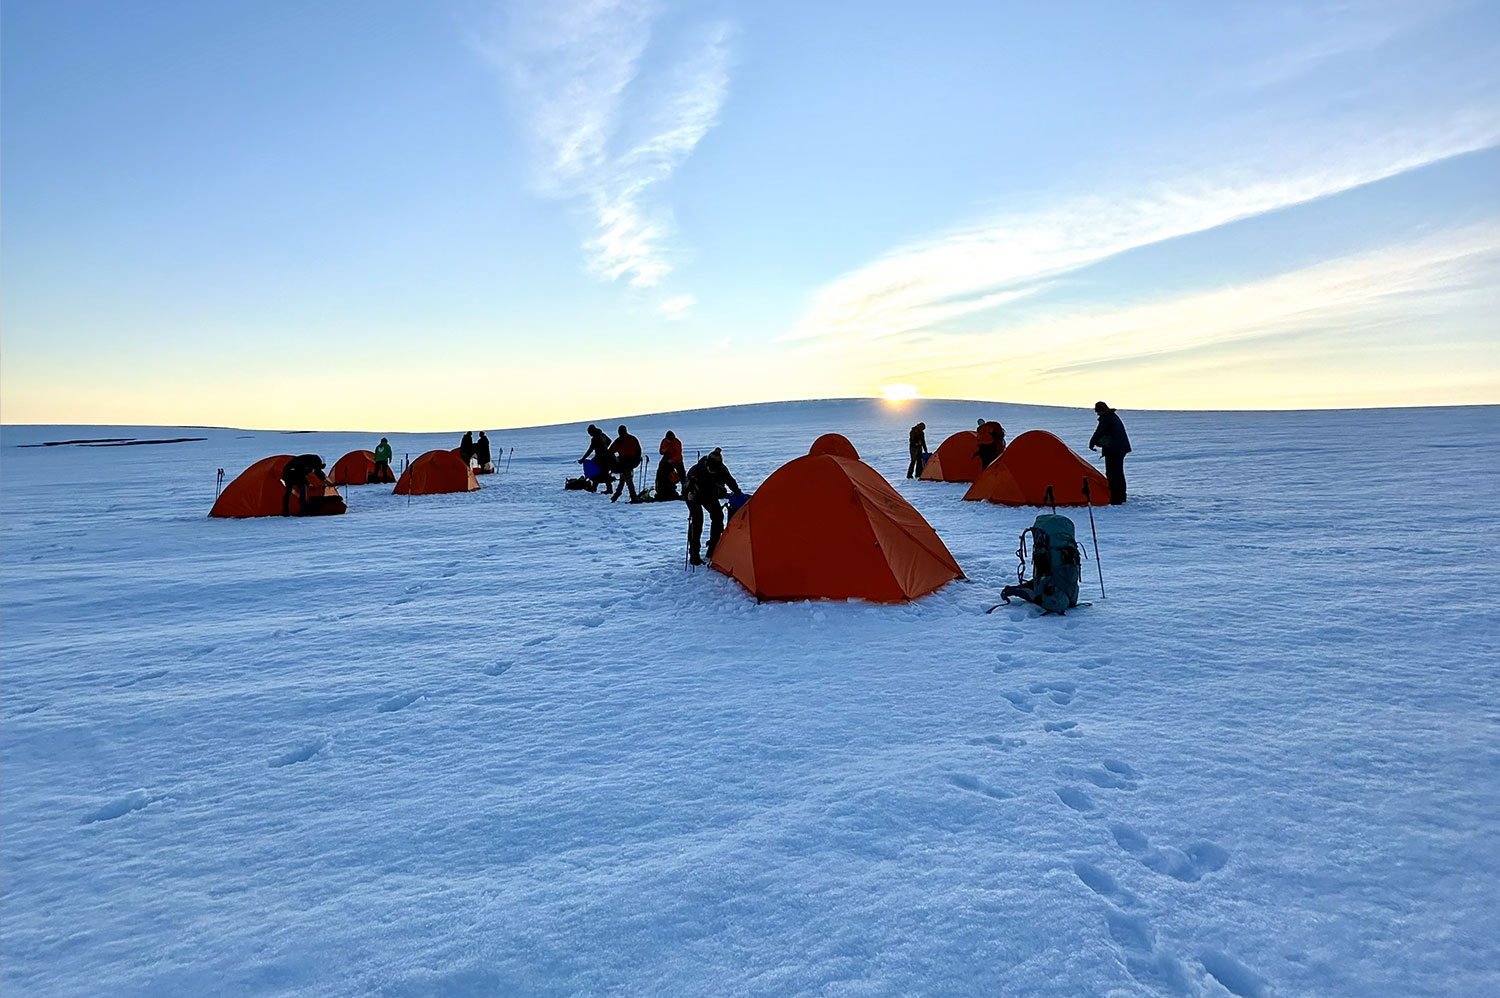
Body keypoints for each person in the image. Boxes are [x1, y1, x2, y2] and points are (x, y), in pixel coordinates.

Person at [684, 448, 742, 565]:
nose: (713, 471)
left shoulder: (722, 470)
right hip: (693, 494)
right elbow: (687, 485)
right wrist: (689, 492)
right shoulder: (697, 470)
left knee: (718, 516)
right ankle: (694, 554)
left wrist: (739, 494)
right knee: (697, 520)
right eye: (711, 469)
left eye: (715, 469)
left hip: (709, 495)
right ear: (707, 464)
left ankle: (713, 549)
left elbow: (731, 483)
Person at [1089, 401, 1132, 504]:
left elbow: (1099, 432)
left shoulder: (1106, 419)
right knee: (1118, 473)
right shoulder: (1112, 417)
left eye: (1097, 412)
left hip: (1114, 450)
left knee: (1113, 473)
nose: (1097, 414)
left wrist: (1092, 443)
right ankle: (1121, 496)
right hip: (1120, 449)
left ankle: (1116, 498)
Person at [609, 425, 643, 502]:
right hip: (630, 462)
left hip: (625, 462)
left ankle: (632, 496)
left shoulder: (619, 440)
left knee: (627, 479)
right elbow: (638, 451)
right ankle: (619, 494)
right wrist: (637, 460)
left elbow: (610, 451)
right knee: (625, 478)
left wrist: (616, 460)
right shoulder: (632, 439)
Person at [658, 431, 686, 495]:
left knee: (682, 476)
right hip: (667, 460)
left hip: (677, 461)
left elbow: (678, 455)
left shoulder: (677, 442)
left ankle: (685, 491)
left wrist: (672, 460)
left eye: (669, 440)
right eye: (667, 440)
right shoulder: (664, 441)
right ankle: (663, 490)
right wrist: (664, 450)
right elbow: (661, 452)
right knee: (663, 475)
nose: (668, 441)